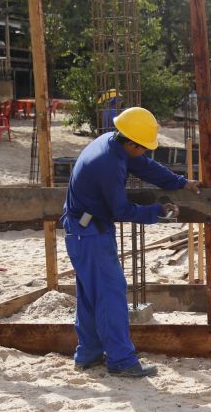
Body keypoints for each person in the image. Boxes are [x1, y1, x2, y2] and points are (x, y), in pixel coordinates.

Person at [62, 107, 201, 377]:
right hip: (90, 235)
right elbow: (120, 210)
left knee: (91, 297)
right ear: (132, 143)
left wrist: (181, 183)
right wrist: (156, 212)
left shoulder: (113, 143)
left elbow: (145, 167)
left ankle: (88, 354)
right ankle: (122, 361)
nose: (146, 152)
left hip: (83, 231)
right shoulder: (109, 164)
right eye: (144, 147)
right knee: (111, 296)